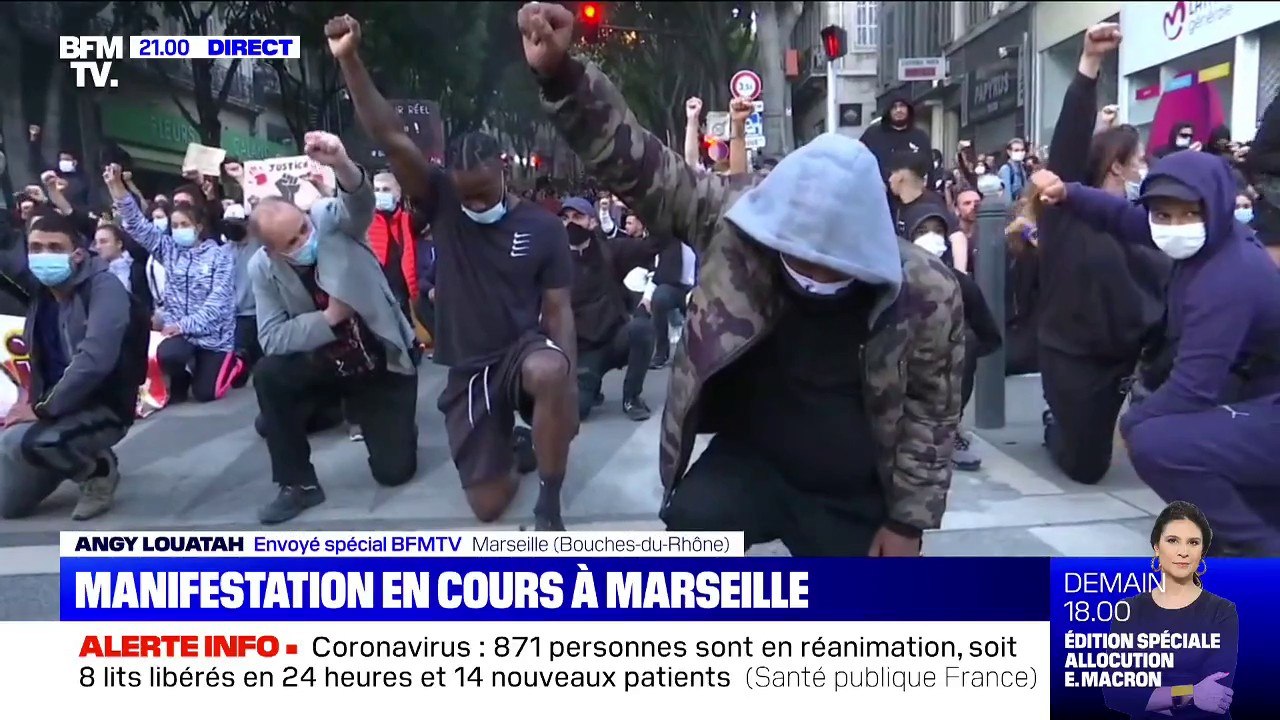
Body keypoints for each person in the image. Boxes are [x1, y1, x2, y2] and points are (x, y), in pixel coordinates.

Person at [520, 2, 964, 556]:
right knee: (692, 525)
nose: (805, 270)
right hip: (755, 456)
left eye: (827, 262)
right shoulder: (734, 221)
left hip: (850, 481)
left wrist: (907, 524)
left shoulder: (926, 293)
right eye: (793, 252)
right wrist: (563, 75)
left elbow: (932, 411)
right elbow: (638, 165)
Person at [329, 14, 576, 530]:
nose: (472, 203)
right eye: (463, 195)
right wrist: (349, 58)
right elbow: (390, 135)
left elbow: (558, 310)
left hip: (521, 351)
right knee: (488, 508)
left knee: (550, 372)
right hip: (468, 364)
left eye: (481, 194)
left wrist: (568, 382)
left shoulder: (543, 227)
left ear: (502, 172)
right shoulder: (440, 197)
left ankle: (550, 503)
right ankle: (513, 446)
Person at [1034, 149, 1280, 555]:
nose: (1174, 226)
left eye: (1187, 213)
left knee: (1159, 442)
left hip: (1263, 400)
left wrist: (1132, 427)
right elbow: (1125, 219)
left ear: (1213, 206)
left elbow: (1192, 389)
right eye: (1163, 215)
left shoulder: (1227, 278)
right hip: (1253, 393)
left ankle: (1258, 549)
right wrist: (1070, 193)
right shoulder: (1209, 237)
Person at [247, 131, 421, 524]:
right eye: (292, 241)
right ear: (273, 252)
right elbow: (272, 337)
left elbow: (359, 203)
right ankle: (297, 484)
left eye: (303, 229)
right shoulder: (262, 269)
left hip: (378, 358)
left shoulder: (329, 220)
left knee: (394, 472)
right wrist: (328, 319)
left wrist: (341, 162)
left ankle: (383, 420)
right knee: (270, 376)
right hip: (325, 360)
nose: (304, 239)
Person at [1034, 23, 1171, 486]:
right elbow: (1068, 148)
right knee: (1086, 466)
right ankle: (1058, 424)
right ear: (1117, 165)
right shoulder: (1067, 209)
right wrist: (1089, 64)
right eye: (1141, 159)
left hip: (1132, 354)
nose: (1147, 167)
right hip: (1074, 356)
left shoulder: (1149, 220)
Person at [0, 212, 148, 520]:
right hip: (54, 404)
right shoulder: (41, 295)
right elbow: (35, 355)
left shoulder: (105, 289)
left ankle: (98, 469)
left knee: (39, 442)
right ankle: (62, 455)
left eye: (55, 247)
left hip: (103, 406)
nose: (44, 255)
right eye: (36, 247)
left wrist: (40, 409)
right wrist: (28, 399)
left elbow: (95, 359)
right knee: (9, 506)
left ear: (78, 253)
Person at [109, 167, 240, 403]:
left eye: (184, 224)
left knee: (207, 394)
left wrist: (183, 325)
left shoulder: (220, 256)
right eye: (174, 225)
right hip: (181, 333)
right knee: (168, 354)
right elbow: (138, 226)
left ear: (198, 227)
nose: (178, 230)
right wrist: (118, 190)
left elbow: (218, 303)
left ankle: (233, 362)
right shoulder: (169, 250)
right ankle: (182, 376)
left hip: (214, 337)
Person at [1104, 502, 1238, 717]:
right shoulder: (1128, 610)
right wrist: (1192, 693)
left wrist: (1151, 698)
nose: (1183, 552)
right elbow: (1116, 693)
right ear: (1157, 547)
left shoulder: (1222, 612)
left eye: (1193, 542)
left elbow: (1215, 695)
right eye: (1173, 541)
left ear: (1202, 552)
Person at [901, 201, 1001, 472]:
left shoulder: (960, 283)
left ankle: (950, 429)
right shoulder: (893, 280)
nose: (931, 237)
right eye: (923, 230)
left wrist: (956, 353)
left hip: (943, 373)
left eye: (937, 230)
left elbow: (989, 335)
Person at [560, 197, 662, 421]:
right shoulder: (554, 263)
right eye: (565, 218)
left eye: (578, 217)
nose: (571, 224)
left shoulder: (610, 251)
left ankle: (632, 397)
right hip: (584, 352)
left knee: (642, 329)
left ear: (592, 222)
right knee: (578, 411)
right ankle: (590, 388)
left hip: (616, 339)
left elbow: (654, 243)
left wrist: (640, 207)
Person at [887, 152, 970, 272]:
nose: (889, 179)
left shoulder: (932, 203)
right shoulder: (897, 204)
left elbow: (957, 236)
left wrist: (960, 275)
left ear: (900, 176)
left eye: (892, 173)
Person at [369, 171, 422, 323]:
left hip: (402, 292)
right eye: (376, 190)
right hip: (375, 292)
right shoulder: (365, 220)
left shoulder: (408, 220)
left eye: (386, 190)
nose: (380, 194)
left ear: (398, 194)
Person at [859, 96, 932, 181]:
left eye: (902, 106)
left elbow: (929, 168)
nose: (898, 110)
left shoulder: (920, 137)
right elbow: (859, 161)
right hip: (880, 190)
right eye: (894, 107)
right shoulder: (872, 135)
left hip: (911, 191)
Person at [998, 138, 1029, 202]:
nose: (1020, 152)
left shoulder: (1022, 168)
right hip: (1012, 207)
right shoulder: (1006, 169)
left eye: (1022, 150)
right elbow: (1006, 196)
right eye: (1016, 150)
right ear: (1009, 152)